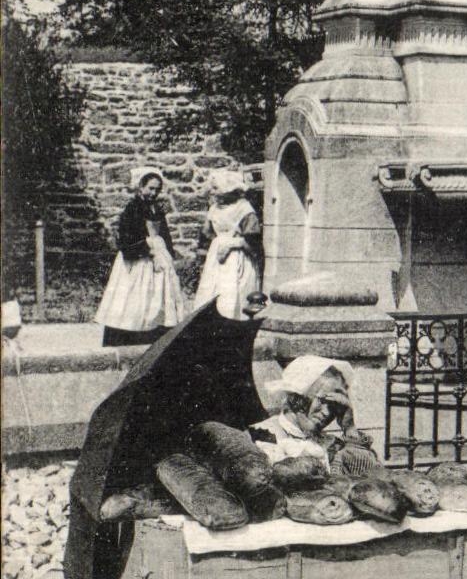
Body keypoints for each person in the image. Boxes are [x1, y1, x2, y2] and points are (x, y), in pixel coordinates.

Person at [94, 168, 185, 347]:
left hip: (157, 259)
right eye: (150, 188)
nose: (154, 193)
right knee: (133, 297)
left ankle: (154, 337)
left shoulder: (156, 208)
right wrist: (146, 248)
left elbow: (164, 232)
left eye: (157, 189)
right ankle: (127, 338)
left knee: (158, 296)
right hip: (138, 261)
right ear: (141, 187)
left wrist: (166, 252)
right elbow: (126, 237)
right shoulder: (133, 208)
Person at [252, 354, 365, 471]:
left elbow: (368, 478)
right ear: (296, 397)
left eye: (333, 405)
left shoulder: (332, 446)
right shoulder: (261, 437)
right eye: (321, 401)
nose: (327, 413)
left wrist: (350, 427)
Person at [194, 168, 262, 321]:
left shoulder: (244, 209)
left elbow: (253, 239)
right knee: (213, 288)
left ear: (228, 189)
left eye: (216, 188)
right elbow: (207, 234)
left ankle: (234, 322)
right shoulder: (214, 209)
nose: (213, 192)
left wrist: (232, 243)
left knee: (233, 289)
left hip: (237, 255)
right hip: (216, 255)